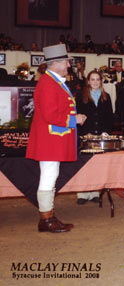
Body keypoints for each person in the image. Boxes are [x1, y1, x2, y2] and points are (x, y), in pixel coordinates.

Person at [26, 44, 87, 232]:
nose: (69, 65)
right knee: (48, 176)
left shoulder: (53, 81)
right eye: (66, 61)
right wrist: (73, 120)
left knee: (51, 175)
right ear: (56, 63)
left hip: (53, 138)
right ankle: (46, 219)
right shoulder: (47, 83)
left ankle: (48, 216)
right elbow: (49, 115)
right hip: (49, 140)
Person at [76, 71, 114, 204]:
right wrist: (85, 133)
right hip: (86, 135)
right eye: (93, 79)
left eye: (98, 79)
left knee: (97, 166)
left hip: (101, 136)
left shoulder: (106, 97)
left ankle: (94, 193)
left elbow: (110, 117)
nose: (95, 82)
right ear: (88, 81)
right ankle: (82, 194)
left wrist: (106, 132)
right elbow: (77, 115)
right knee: (84, 166)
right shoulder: (81, 96)